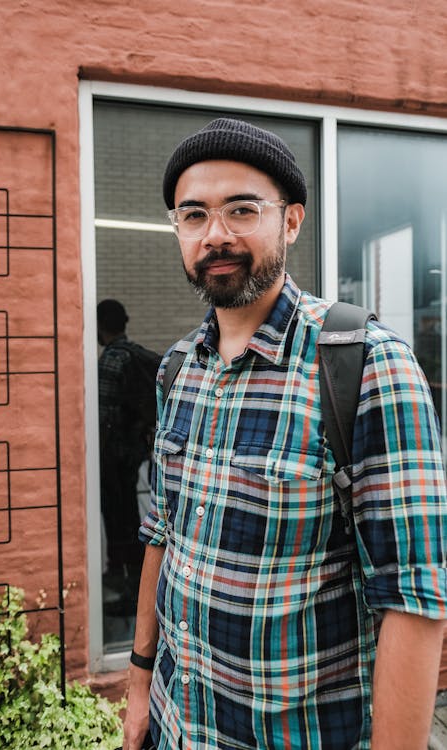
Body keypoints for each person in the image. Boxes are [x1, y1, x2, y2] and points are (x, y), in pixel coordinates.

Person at [123, 119, 447, 749]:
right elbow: (161, 535)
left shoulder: (364, 363)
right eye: (193, 216)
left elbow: (412, 594)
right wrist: (139, 683)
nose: (215, 235)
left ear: (292, 221)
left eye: (242, 209)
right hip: (176, 725)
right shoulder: (177, 368)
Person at [97, 299, 151, 582]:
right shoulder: (136, 354)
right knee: (131, 517)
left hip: (114, 457)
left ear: (101, 325)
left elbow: (103, 418)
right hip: (134, 454)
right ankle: (134, 577)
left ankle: (123, 578)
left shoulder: (111, 360)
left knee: (118, 520)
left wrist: (96, 457)